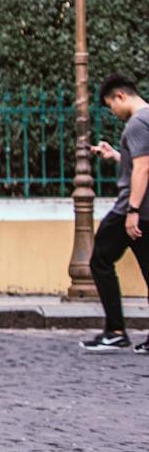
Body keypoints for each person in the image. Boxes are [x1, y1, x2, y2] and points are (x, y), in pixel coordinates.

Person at [84, 76, 149, 352]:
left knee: (99, 259)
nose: (113, 111)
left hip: (131, 209)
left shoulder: (136, 123)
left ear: (120, 96)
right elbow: (139, 161)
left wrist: (132, 210)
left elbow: (143, 168)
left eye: (111, 105)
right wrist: (115, 156)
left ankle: (115, 330)